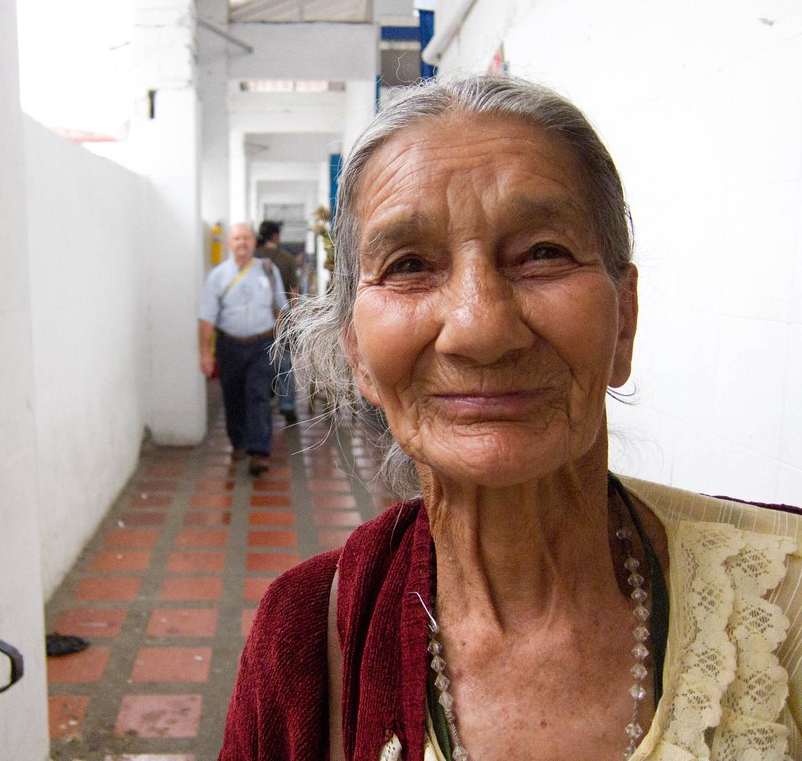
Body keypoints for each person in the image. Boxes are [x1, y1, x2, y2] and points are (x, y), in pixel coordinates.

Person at [218, 75, 802, 760]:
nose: (480, 327)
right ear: (359, 356)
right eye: (409, 265)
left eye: (543, 254)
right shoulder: (304, 638)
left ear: (624, 322)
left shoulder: (779, 605)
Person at [198, 222, 287, 476]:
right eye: (237, 238)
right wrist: (205, 352)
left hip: (262, 344)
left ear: (253, 241)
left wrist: (280, 342)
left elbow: (281, 307)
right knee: (233, 396)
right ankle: (238, 442)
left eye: (246, 238)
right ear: (229, 243)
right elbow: (206, 316)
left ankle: (259, 451)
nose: (242, 243)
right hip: (229, 345)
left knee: (258, 395)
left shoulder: (268, 270)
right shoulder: (218, 276)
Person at [255, 220, 300, 423]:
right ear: (275, 236)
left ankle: (263, 401)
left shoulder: (252, 257)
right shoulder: (286, 258)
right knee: (284, 361)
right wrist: (295, 317)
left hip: (257, 318)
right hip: (281, 316)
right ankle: (287, 404)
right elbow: (293, 292)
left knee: (259, 362)